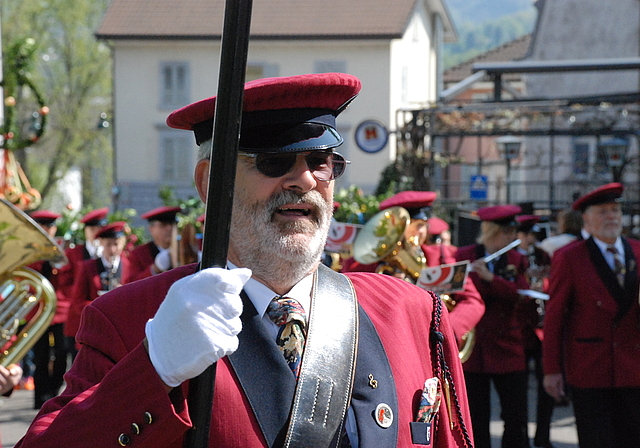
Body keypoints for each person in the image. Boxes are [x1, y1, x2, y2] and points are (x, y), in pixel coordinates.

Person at [17, 73, 473, 448]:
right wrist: (152, 371)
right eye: (276, 162)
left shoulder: (412, 312)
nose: (303, 181)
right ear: (210, 182)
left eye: (321, 161)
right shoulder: (130, 320)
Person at [543, 183, 640, 448]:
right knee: (596, 440)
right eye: (602, 211)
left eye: (615, 210)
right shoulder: (570, 257)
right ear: (586, 219)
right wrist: (552, 371)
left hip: (633, 367)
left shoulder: (638, 251)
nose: (611, 216)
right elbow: (554, 318)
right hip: (590, 368)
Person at [342, 190, 484, 350]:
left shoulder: (441, 257)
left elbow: (472, 301)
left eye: (423, 225)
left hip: (432, 347)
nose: (421, 232)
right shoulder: (360, 264)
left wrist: (446, 332)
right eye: (414, 225)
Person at [454, 205, 531, 448]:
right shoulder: (464, 256)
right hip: (475, 349)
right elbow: (455, 293)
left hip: (508, 346)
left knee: (515, 415)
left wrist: (492, 279)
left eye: (514, 232)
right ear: (492, 232)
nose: (512, 238)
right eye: (507, 232)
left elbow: (522, 295)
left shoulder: (518, 259)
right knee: (475, 416)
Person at [515, 215, 555, 448]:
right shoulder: (511, 257)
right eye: (527, 235)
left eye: (534, 235)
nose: (531, 240)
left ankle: (543, 435)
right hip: (521, 329)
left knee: (546, 388)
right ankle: (521, 438)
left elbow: (551, 278)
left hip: (541, 328)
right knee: (518, 391)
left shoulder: (541, 255)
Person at [27, 210, 70, 409]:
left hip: (60, 310)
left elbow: (69, 281)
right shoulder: (28, 250)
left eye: (50, 226)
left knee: (62, 354)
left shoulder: (63, 250)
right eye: (43, 225)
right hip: (37, 311)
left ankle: (53, 391)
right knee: (40, 357)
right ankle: (40, 398)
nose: (47, 229)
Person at [66, 222, 131, 344]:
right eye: (108, 245)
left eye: (116, 244)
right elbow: (77, 302)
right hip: (94, 331)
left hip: (121, 332)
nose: (112, 250)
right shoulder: (88, 267)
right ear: (101, 243)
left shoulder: (129, 266)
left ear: (123, 244)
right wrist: (102, 305)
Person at [60, 207, 109, 359]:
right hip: (78, 316)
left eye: (99, 228)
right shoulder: (74, 253)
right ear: (85, 231)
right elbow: (64, 283)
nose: (95, 233)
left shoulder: (110, 253)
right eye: (92, 228)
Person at [123, 206, 181, 283]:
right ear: (151, 228)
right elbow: (130, 284)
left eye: (173, 224)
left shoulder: (185, 249)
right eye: (163, 225)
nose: (169, 228)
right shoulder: (138, 254)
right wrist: (154, 269)